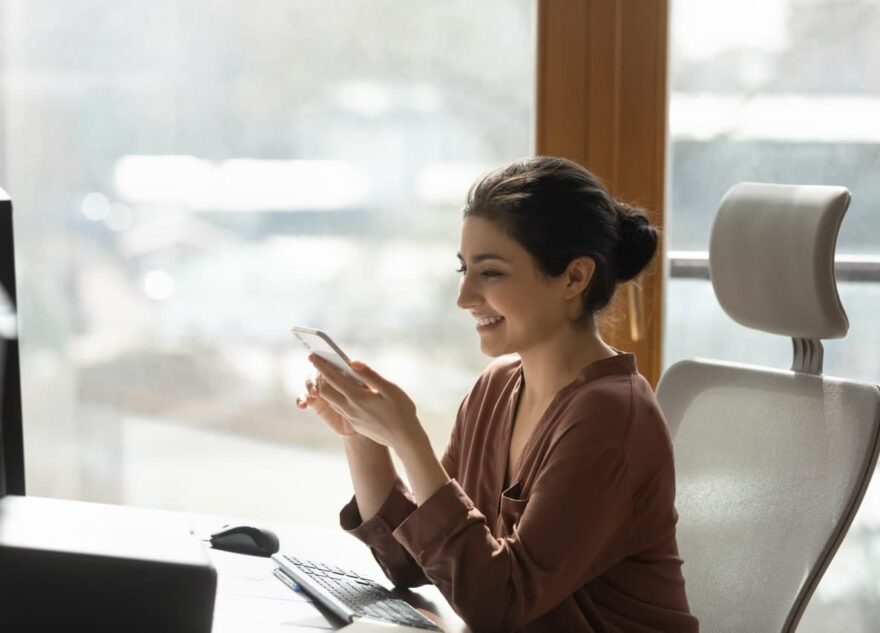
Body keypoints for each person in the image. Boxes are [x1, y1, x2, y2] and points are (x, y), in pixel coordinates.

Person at [296, 156, 698, 632]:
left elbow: (499, 605)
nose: (464, 296)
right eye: (463, 268)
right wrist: (362, 435)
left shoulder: (611, 416)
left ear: (574, 278)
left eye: (490, 273)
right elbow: (417, 562)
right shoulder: (498, 385)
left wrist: (409, 440)